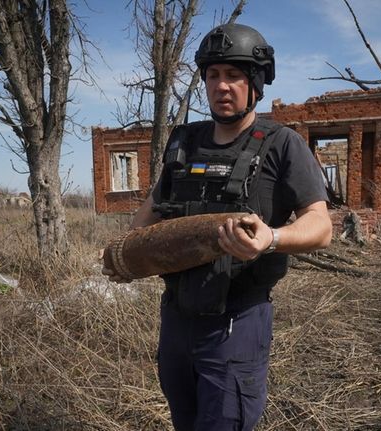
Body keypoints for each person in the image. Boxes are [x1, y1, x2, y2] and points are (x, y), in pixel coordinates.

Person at [103, 23, 333, 431]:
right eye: (213, 75)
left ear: (255, 82)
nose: (221, 86)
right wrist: (126, 254)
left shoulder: (281, 144)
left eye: (233, 75)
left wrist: (272, 239)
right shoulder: (185, 142)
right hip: (176, 319)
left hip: (236, 324)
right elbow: (155, 206)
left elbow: (320, 224)